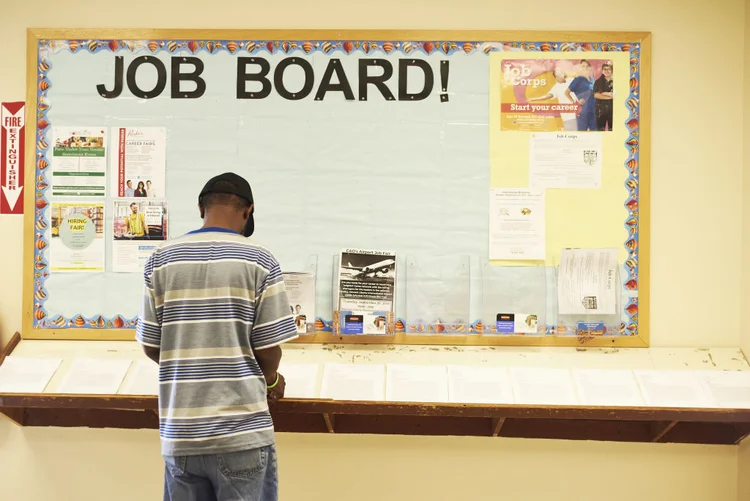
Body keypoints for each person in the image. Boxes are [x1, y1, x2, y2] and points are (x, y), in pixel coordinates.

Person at [136, 172, 298, 501]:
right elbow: (269, 349)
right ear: (247, 211)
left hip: (181, 435)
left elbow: (152, 345)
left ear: (200, 208)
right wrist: (270, 380)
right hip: (241, 433)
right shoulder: (259, 260)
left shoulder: (161, 260)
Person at [565, 60, 597, 131]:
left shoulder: (592, 79)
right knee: (582, 133)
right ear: (580, 68)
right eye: (583, 66)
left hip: (593, 111)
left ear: (590, 68)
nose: (585, 68)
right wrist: (575, 101)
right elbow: (566, 92)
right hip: (582, 112)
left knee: (595, 133)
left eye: (587, 66)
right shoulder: (577, 80)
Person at [594, 61, 614, 131]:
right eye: (605, 69)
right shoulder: (598, 81)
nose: (607, 71)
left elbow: (616, 94)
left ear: (612, 70)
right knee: (600, 130)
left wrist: (602, 93)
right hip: (600, 110)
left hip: (613, 110)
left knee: (612, 130)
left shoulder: (616, 81)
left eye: (609, 69)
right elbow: (596, 95)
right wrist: (609, 97)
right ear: (602, 71)